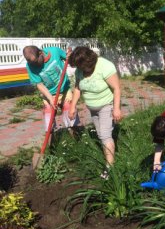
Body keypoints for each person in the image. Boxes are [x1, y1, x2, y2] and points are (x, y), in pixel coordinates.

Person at [68, 46, 122, 175]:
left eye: (81, 67)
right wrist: (72, 106)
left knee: (104, 135)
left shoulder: (105, 66)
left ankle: (110, 168)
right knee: (101, 134)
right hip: (92, 108)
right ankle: (109, 155)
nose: (80, 70)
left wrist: (116, 108)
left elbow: (116, 89)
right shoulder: (80, 70)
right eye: (78, 67)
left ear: (89, 61)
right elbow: (77, 88)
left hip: (106, 105)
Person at [23, 45, 80, 139]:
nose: (35, 65)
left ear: (40, 53)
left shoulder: (54, 51)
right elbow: (39, 84)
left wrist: (70, 56)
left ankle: (77, 138)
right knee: (48, 116)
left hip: (65, 89)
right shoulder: (30, 66)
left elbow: (69, 60)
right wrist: (50, 98)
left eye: (36, 62)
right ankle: (51, 144)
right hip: (48, 93)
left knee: (68, 110)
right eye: (32, 63)